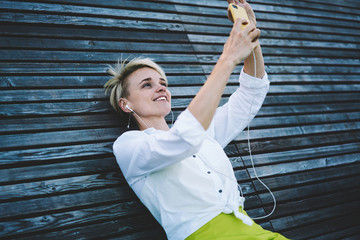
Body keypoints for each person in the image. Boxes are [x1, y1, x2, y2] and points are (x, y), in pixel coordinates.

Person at [104, 0, 290, 239]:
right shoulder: (129, 146)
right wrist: (228, 58)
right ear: (125, 104)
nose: (160, 88)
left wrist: (250, 33)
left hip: (255, 232)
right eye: (147, 85)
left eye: (163, 83)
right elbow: (184, 139)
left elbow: (251, 94)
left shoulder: (204, 133)